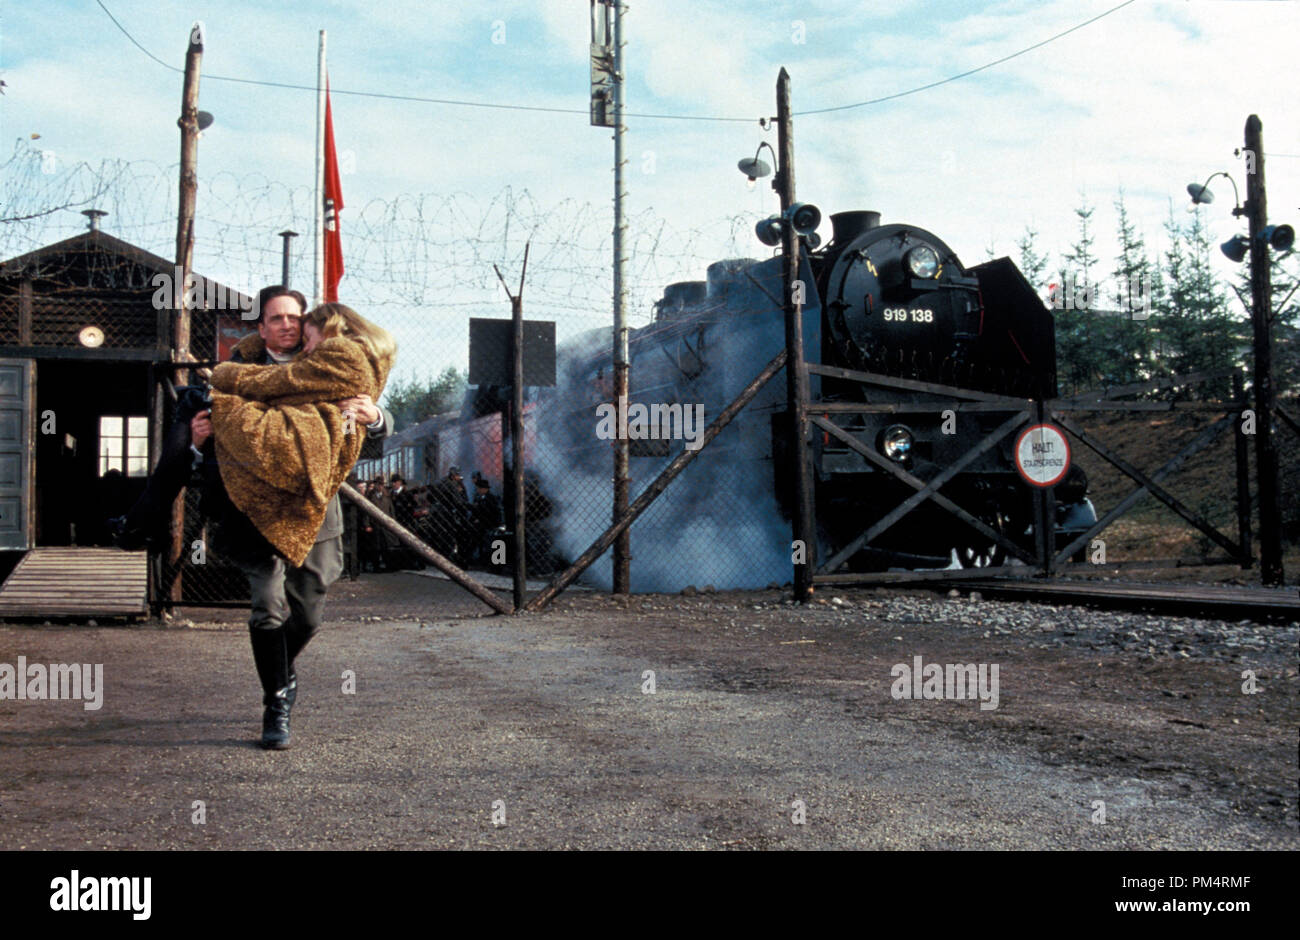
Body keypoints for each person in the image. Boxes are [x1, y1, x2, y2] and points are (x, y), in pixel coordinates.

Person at [197, 291, 396, 750]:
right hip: (255, 509)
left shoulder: (334, 362)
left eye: (294, 317)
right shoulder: (240, 371)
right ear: (262, 327)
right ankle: (277, 703)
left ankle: (279, 669)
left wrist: (378, 417)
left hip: (316, 505)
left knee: (307, 614)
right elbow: (213, 423)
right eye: (276, 319)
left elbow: (368, 439)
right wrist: (195, 437)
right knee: (267, 604)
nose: (287, 325)